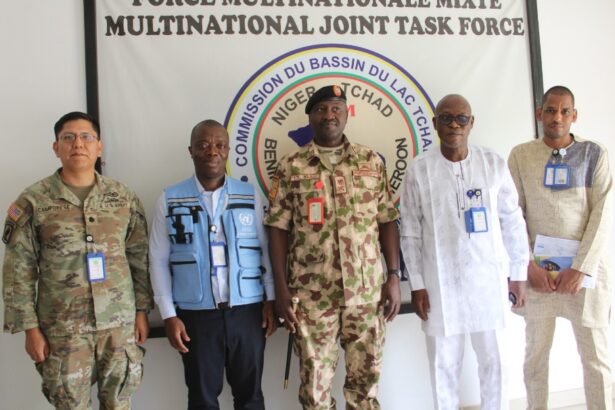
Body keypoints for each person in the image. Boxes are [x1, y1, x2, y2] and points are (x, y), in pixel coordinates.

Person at [2, 111, 153, 409]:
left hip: (118, 324)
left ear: (99, 146)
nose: (78, 144)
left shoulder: (123, 197)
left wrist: (141, 311)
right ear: (56, 147)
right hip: (63, 330)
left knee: (120, 403)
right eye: (68, 137)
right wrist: (30, 329)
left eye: (86, 137)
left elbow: (139, 258)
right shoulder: (33, 201)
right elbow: (18, 269)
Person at [265, 84, 402, 410]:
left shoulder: (370, 161)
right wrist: (280, 289)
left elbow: (387, 220)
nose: (329, 115)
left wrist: (394, 276)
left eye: (336, 108)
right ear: (310, 117)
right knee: (315, 392)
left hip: (366, 294)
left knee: (365, 388)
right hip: (311, 297)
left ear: (346, 115)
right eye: (322, 109)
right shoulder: (291, 166)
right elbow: (277, 229)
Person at [400, 94, 529, 409]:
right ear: (435, 124)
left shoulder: (492, 163)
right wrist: (417, 283)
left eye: (461, 118)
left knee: (494, 361)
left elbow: (512, 220)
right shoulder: (420, 170)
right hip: (440, 285)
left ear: (471, 123)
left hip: (489, 281)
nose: (454, 125)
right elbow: (410, 231)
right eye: (446, 118)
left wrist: (519, 273)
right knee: (443, 365)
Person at [149, 119, 276, 410]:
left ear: (228, 150)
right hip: (196, 316)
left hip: (248, 312)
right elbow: (157, 259)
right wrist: (168, 314)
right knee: (202, 399)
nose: (212, 151)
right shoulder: (169, 199)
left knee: (251, 397)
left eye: (220, 145)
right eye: (203, 145)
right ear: (191, 150)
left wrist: (270, 299)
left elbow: (265, 249)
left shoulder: (249, 194)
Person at [508, 86, 613, 410]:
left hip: (584, 274)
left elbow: (603, 213)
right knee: (535, 358)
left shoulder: (594, 153)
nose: (557, 117)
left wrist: (580, 268)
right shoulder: (521, 156)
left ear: (574, 115)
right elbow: (512, 214)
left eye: (564, 111)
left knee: (596, 359)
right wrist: (528, 265)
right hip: (539, 274)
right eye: (551, 110)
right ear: (539, 113)